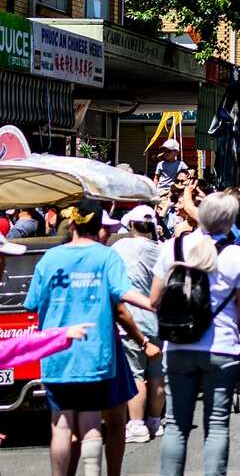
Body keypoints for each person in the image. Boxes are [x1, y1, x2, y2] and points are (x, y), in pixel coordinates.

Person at [24, 199, 156, 476]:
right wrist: (153, 303)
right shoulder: (106, 257)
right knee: (91, 420)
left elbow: (33, 303)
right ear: (98, 227)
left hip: (56, 352)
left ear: (71, 223)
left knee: (60, 423)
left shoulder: (49, 259)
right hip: (95, 352)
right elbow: (124, 293)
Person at [149, 192, 240, 476]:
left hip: (179, 346)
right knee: (218, 424)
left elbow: (154, 299)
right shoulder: (238, 255)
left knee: (176, 425)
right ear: (231, 220)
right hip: (223, 348)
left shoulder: (173, 248)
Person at [113, 207, 166, 444]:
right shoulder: (161, 250)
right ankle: (155, 420)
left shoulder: (118, 248)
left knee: (135, 374)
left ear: (130, 225)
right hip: (157, 319)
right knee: (156, 374)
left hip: (130, 319)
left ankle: (136, 425)